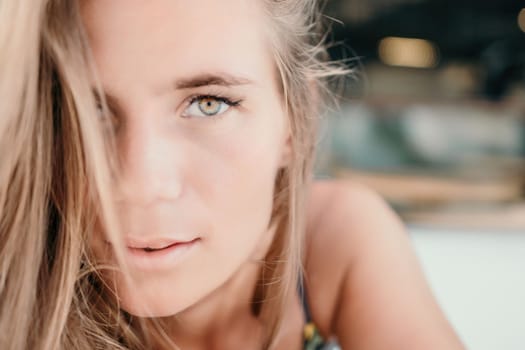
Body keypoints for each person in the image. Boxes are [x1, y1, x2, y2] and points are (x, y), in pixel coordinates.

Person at [0, 0, 465, 349]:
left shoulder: (331, 239)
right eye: (89, 110)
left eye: (209, 103)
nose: (138, 186)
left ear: (295, 121)